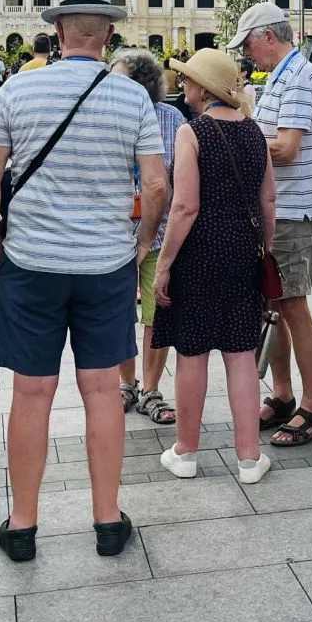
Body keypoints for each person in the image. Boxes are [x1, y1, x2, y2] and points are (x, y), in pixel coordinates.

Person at [0, 0, 167, 565]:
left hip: (30, 263)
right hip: (105, 265)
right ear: (108, 33)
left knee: (32, 392)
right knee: (103, 389)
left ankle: (24, 525)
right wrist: (139, 242)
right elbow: (156, 183)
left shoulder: (17, 92)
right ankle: (107, 520)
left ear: (57, 31)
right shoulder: (132, 97)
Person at [151, 48, 278, 484]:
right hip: (243, 251)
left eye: (187, 80)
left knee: (192, 353)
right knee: (242, 354)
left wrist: (164, 263)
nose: (183, 86)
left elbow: (184, 205)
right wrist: (263, 247)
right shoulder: (256, 132)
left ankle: (186, 452)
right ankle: (249, 458)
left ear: (204, 88)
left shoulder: (193, 132)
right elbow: (268, 202)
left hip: (199, 252)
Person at [228, 3, 312, 448]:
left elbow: (286, 148)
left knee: (293, 305)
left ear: (268, 35)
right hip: (274, 210)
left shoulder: (301, 77)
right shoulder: (280, 78)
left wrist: (235, 144)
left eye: (248, 45)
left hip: (292, 210)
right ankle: (284, 394)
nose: (247, 55)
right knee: (275, 305)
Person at [109, 47, 184, 426]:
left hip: (160, 233)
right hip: (115, 234)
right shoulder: (104, 119)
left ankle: (151, 389)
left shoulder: (171, 119)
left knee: (157, 314)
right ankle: (126, 383)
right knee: (119, 314)